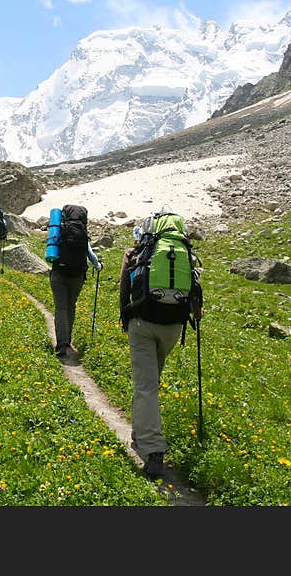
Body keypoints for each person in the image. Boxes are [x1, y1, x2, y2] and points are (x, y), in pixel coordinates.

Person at [118, 218, 202, 480]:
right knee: (150, 382)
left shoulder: (135, 254)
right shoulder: (184, 253)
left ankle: (154, 451)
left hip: (142, 324)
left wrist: (125, 316)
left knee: (146, 386)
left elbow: (124, 289)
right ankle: (139, 432)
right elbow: (196, 298)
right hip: (172, 327)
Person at [50, 204, 101, 363]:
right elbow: (91, 256)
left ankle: (61, 344)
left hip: (59, 274)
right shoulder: (82, 233)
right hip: (77, 276)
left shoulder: (60, 230)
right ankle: (68, 340)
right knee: (71, 307)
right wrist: (98, 266)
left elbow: (51, 249)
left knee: (61, 308)